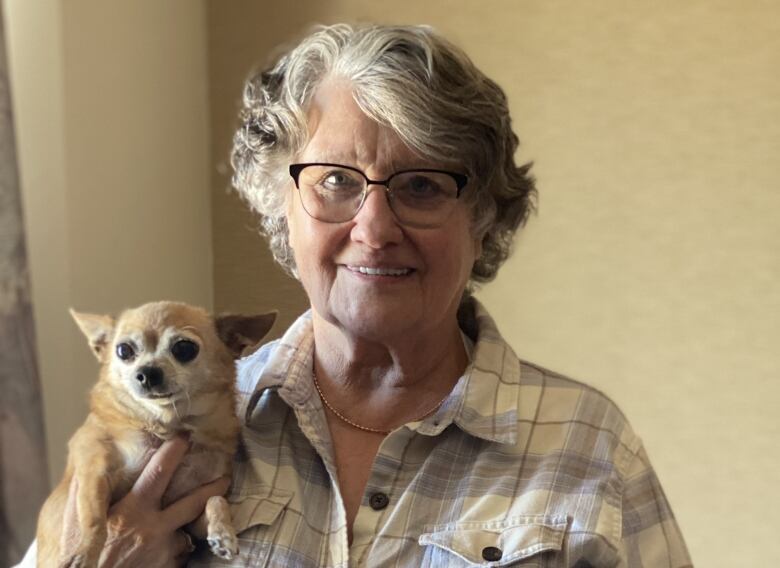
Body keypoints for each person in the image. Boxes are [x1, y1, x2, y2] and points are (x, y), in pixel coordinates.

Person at [20, 23, 692, 567]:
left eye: (422, 186)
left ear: (482, 216)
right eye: (337, 181)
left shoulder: (587, 448)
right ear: (279, 202)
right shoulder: (156, 431)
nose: (374, 229)